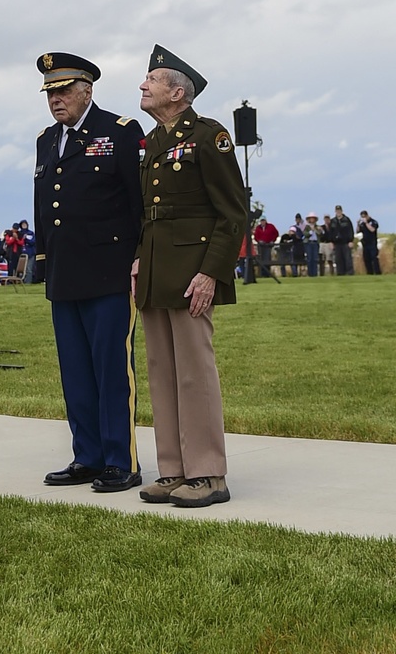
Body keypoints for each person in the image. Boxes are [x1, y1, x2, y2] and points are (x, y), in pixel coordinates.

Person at [134, 44, 247, 509]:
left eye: (153, 80)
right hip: (159, 271)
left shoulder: (209, 135)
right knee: (162, 370)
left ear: (178, 92)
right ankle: (175, 469)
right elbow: (152, 213)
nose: (143, 85)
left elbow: (233, 212)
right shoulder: (156, 140)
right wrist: (142, 258)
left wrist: (210, 274)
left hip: (193, 273)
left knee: (194, 373)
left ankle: (208, 473)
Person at [34, 51, 145, 494]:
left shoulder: (119, 131)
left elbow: (138, 201)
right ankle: (88, 456)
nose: (56, 101)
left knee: (112, 369)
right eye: (50, 93)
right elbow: (45, 206)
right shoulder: (47, 139)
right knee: (75, 371)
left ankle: (121, 460)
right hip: (65, 273)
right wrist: (43, 260)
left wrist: (140, 256)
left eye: (63, 91)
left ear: (87, 90)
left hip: (109, 272)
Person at [332, 206, 355, 275]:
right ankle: (340, 273)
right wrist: (331, 242)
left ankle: (349, 273)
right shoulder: (333, 221)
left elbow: (351, 231)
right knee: (338, 259)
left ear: (342, 211)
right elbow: (331, 232)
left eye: (339, 210)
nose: (338, 212)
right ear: (335, 211)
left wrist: (351, 240)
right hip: (337, 243)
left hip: (346, 242)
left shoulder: (347, 220)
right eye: (337, 210)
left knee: (347, 259)